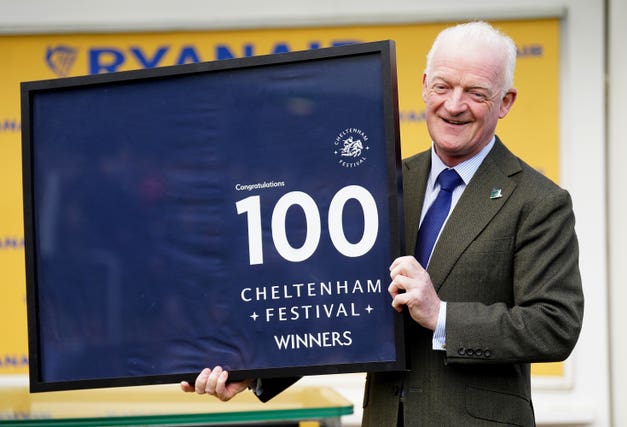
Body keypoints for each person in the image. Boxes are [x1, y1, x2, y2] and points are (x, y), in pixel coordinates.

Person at [181, 21, 584, 426]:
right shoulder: (381, 185)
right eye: (443, 87)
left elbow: (555, 325)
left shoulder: (539, 202)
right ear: (425, 86)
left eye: (476, 93)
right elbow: (341, 306)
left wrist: (442, 315)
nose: (455, 104)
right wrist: (258, 367)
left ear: (506, 101)